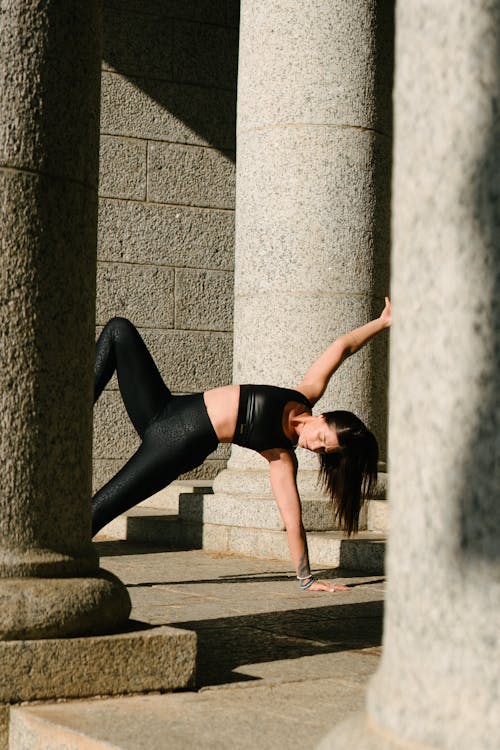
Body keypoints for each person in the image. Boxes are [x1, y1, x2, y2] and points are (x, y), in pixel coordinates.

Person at [93, 298, 392, 593]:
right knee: (119, 331)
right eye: (324, 440)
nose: (316, 448)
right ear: (324, 417)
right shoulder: (306, 393)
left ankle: (62, 562)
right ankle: (64, 415)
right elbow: (342, 347)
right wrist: (382, 322)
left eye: (325, 452)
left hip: (173, 446)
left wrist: (306, 578)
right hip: (164, 409)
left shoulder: (281, 455)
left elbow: (293, 521)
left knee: (98, 509)